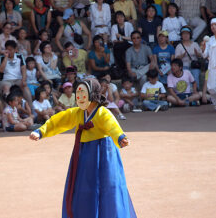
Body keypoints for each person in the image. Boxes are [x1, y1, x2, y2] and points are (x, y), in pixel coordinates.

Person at [29, 78, 136, 218]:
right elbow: (59, 120)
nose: (79, 97)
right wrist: (41, 131)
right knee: (83, 188)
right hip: (84, 154)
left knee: (107, 187)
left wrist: (120, 137)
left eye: (82, 93)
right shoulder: (78, 113)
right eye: (77, 93)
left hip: (103, 154)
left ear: (92, 93)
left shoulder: (102, 112)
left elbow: (112, 125)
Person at [0, 40, 32, 106]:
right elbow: (1, 70)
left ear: (15, 50)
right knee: (6, 88)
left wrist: (24, 80)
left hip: (18, 79)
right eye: (7, 49)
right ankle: (8, 109)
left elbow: (24, 69)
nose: (8, 51)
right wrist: (6, 57)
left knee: (25, 87)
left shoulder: (20, 56)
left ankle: (31, 107)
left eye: (10, 50)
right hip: (6, 80)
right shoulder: (1, 57)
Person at [175, 26, 202, 90]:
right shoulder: (179, 46)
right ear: (181, 35)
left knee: (195, 77)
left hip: (194, 66)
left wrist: (197, 54)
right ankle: (188, 93)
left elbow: (200, 56)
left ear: (190, 35)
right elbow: (176, 58)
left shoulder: (195, 44)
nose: (186, 35)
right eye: (184, 34)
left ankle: (196, 92)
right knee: (186, 78)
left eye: (187, 33)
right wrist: (182, 56)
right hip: (184, 66)